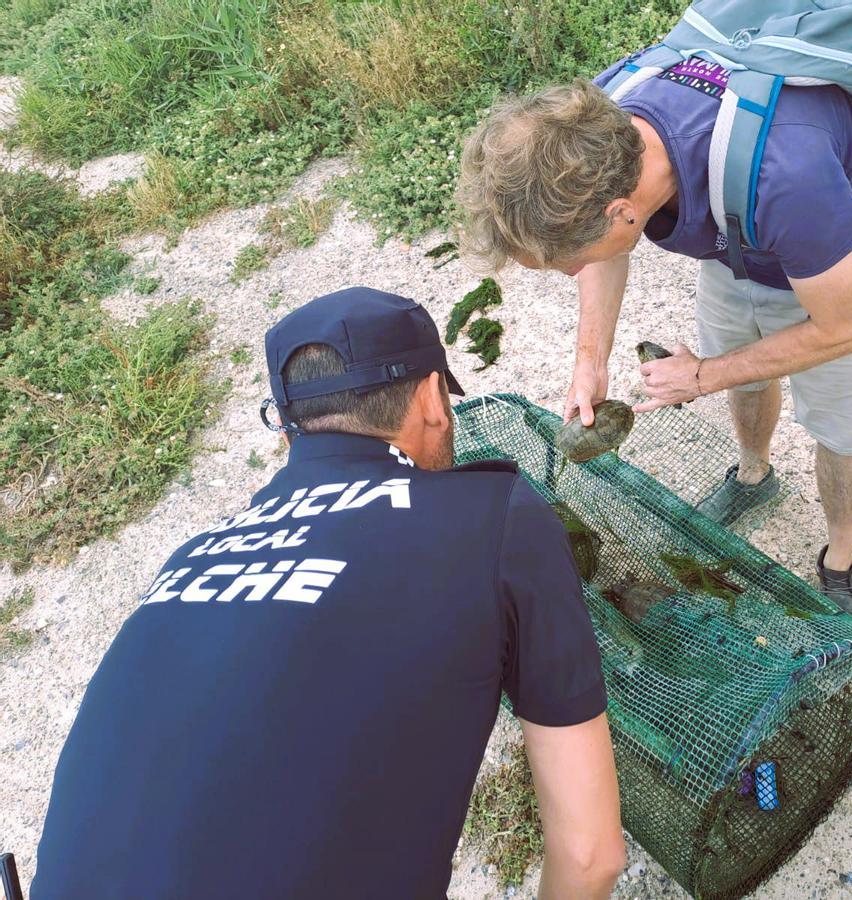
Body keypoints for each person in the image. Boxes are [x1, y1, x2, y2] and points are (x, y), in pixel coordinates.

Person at [32, 288, 625, 899]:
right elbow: (590, 855)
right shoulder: (495, 516)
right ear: (430, 398)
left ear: (288, 432)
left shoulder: (189, 557)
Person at [457, 54, 852, 627]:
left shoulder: (786, 177)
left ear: (622, 211)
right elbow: (602, 245)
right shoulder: (587, 132)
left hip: (831, 257)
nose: (571, 274)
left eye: (565, 265)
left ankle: (840, 559)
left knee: (839, 427)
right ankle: (753, 476)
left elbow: (847, 328)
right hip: (737, 238)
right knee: (746, 368)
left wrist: (704, 375)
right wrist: (589, 362)